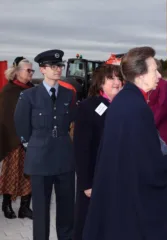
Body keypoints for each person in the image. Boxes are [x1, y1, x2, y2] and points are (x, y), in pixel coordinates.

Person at [82, 46, 167, 240]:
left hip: (121, 189)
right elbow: (148, 162)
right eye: (154, 70)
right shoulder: (136, 107)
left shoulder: (124, 100)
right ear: (140, 75)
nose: (159, 75)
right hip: (133, 198)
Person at [14, 49, 76, 240]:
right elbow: (22, 128)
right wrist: (34, 148)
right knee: (40, 212)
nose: (58, 69)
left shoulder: (68, 94)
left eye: (60, 65)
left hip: (64, 160)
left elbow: (70, 123)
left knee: (67, 210)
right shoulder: (29, 96)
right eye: (53, 66)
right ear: (42, 69)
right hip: (40, 161)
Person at [73, 64, 123, 240]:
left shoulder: (125, 105)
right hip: (95, 178)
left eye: (119, 78)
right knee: (90, 224)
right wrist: (86, 183)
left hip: (118, 176)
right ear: (100, 83)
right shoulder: (88, 107)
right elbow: (81, 148)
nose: (117, 82)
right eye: (111, 78)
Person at [0, 57, 34, 219]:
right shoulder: (9, 91)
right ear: (17, 72)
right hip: (13, 140)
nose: (31, 73)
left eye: (32, 70)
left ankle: (25, 208)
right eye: (28, 70)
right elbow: (5, 117)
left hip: (31, 139)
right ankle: (6, 205)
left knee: (30, 174)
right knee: (11, 173)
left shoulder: (32, 89)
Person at [147, 59, 167, 196]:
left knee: (163, 159)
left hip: (160, 129)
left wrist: (149, 124)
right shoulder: (147, 85)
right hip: (148, 127)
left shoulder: (164, 85)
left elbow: (162, 107)